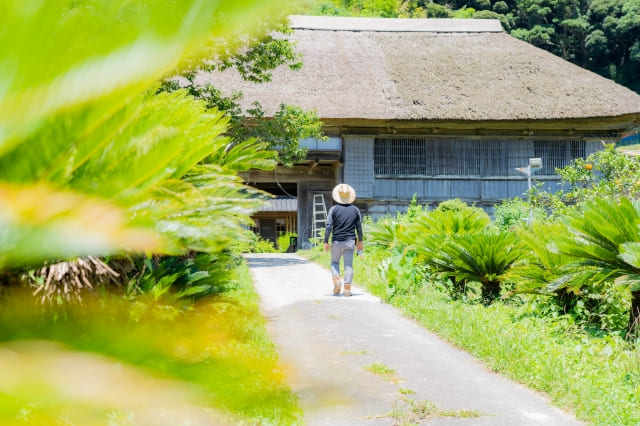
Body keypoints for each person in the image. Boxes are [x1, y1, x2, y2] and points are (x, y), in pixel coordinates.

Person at [323, 183, 363, 297]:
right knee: (348, 265)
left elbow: (329, 225)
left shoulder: (333, 209)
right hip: (350, 242)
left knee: (335, 262)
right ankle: (347, 288)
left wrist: (326, 241)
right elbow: (359, 227)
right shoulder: (355, 210)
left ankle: (336, 280)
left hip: (337, 242)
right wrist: (360, 241)